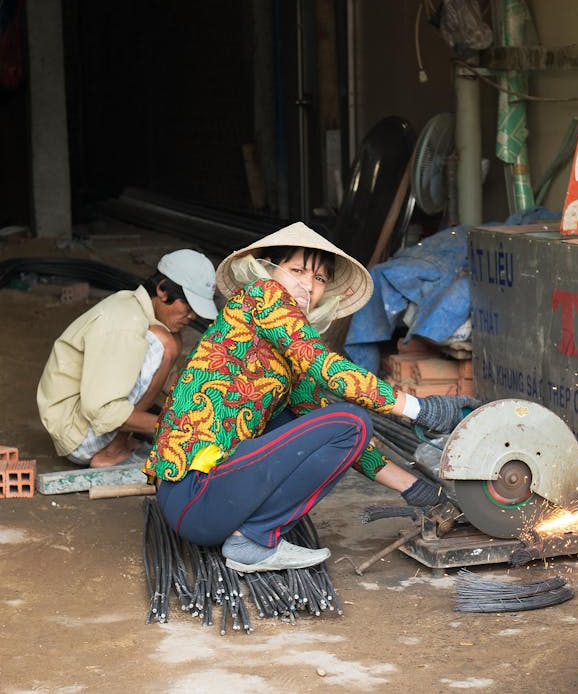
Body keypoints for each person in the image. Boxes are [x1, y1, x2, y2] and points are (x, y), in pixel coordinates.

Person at [145, 222, 479, 573]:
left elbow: (343, 441)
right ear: (266, 268)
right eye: (297, 270)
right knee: (353, 420)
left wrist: (419, 491)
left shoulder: (286, 361)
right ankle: (253, 540)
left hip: (213, 502)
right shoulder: (262, 295)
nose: (309, 285)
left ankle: (250, 534)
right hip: (195, 494)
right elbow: (322, 364)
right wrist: (420, 409)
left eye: (320, 278)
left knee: (335, 425)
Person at [37, 249, 218, 468]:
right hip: (77, 435)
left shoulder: (138, 312)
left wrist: (209, 406)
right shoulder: (126, 323)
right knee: (167, 344)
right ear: (162, 290)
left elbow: (166, 382)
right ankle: (112, 451)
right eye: (188, 307)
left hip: (82, 423)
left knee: (172, 341)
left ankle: (118, 443)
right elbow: (102, 412)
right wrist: (174, 427)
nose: (193, 316)